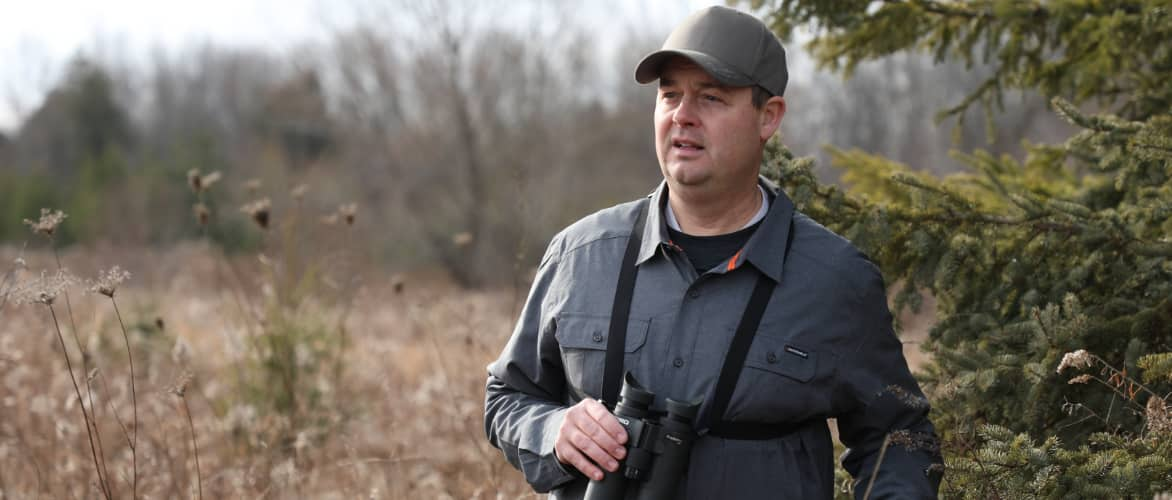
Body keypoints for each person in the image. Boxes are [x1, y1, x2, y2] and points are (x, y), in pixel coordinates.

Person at [484, 5, 942, 499]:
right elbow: (507, 397)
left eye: (711, 97)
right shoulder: (581, 255)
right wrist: (555, 432)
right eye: (670, 95)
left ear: (768, 117)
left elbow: (900, 438)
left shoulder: (835, 281)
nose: (683, 115)